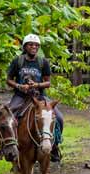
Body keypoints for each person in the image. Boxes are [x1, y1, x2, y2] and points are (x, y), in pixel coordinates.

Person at [6, 34, 64, 162]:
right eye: (31, 45)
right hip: (21, 96)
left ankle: (54, 147)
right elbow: (8, 80)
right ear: (25, 47)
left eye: (36, 45)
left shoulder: (43, 62)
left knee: (59, 117)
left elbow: (48, 83)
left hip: (39, 96)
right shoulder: (18, 61)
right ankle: (10, 146)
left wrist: (37, 85)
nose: (34, 47)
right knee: (8, 115)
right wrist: (19, 86)